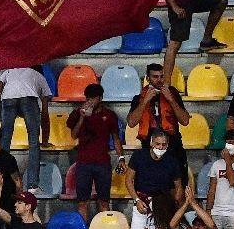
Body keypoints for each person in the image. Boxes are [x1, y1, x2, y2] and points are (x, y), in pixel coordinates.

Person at [0, 66, 49, 193]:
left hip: (8, 98)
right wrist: (45, 140)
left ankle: (2, 179)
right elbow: (45, 113)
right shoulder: (39, 76)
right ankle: (32, 185)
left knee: (4, 141)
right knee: (33, 142)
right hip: (29, 99)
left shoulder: (10, 71)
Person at [128, 63, 190, 179]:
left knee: (179, 185)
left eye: (162, 76)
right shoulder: (139, 97)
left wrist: (171, 100)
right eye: (155, 77)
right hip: (149, 147)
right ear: (147, 78)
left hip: (173, 146)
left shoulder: (173, 94)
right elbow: (131, 122)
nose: (159, 80)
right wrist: (145, 101)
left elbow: (185, 121)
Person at [68, 84, 122, 218]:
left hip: (103, 163)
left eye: (93, 98)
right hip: (83, 163)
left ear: (101, 98)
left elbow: (116, 138)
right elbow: (74, 135)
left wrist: (121, 158)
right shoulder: (77, 113)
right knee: (82, 202)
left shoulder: (109, 115)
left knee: (103, 201)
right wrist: (82, 117)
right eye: (88, 98)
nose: (90, 101)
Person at [164, 0, 226, 70]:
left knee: (221, 1)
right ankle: (166, 84)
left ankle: (207, 39)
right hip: (180, 1)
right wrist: (175, 7)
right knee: (175, 44)